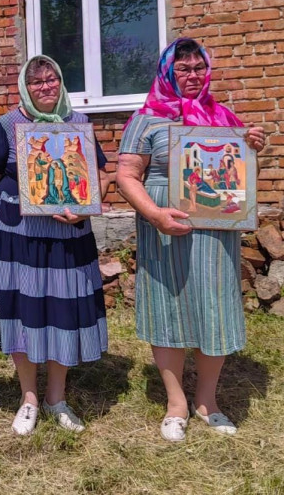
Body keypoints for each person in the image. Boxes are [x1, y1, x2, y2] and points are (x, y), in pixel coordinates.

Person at [116, 38, 265, 442]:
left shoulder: (223, 117)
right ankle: (176, 403)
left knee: (215, 307)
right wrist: (154, 214)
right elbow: (126, 176)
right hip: (164, 230)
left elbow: (238, 173)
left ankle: (207, 402)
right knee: (168, 307)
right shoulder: (146, 120)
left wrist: (252, 148)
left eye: (199, 68)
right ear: (168, 72)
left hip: (215, 233)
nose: (193, 76)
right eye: (183, 69)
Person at [0, 55, 110, 436]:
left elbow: (101, 175)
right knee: (25, 314)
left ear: (61, 82)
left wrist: (86, 208)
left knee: (62, 312)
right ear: (25, 87)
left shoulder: (78, 122)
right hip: (19, 238)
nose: (46, 86)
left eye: (52, 79)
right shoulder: (9, 125)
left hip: (68, 237)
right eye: (37, 82)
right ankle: (29, 398)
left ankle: (56, 398)